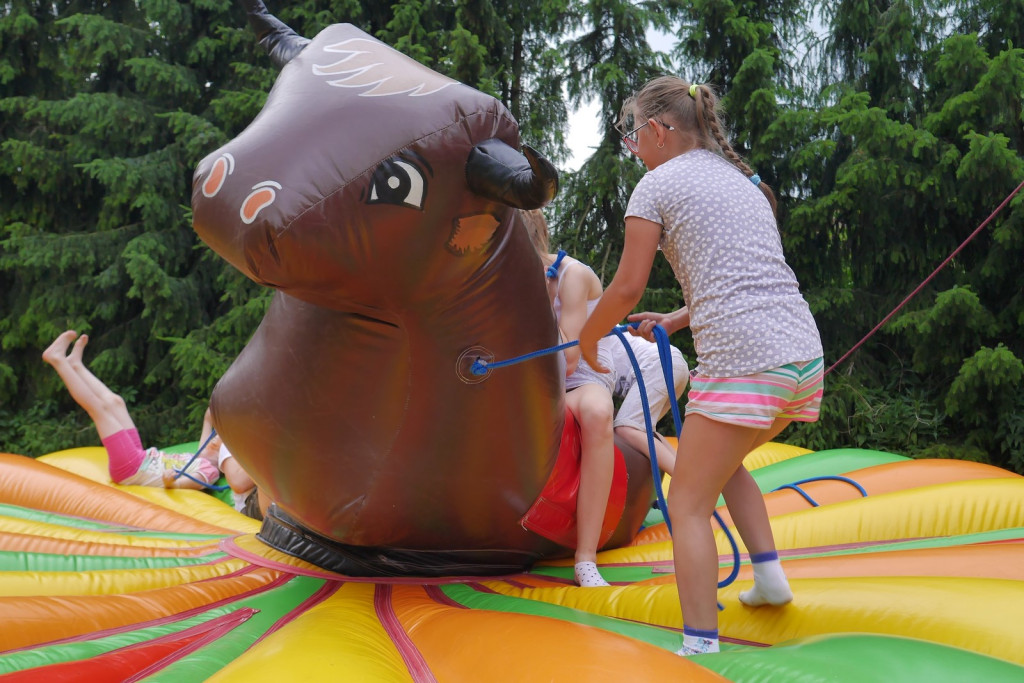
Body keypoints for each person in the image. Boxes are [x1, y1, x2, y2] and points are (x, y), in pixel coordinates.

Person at [577, 76, 824, 656]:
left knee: (687, 501)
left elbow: (625, 288)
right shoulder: (741, 181)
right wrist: (676, 322)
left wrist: (588, 337)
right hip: (801, 357)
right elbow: (744, 278)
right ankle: (769, 578)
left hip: (744, 362)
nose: (633, 146)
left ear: (659, 131)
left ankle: (699, 646)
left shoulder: (656, 185)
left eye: (634, 133)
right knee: (721, 462)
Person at [522, 209, 617, 588]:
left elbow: (570, 360)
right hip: (534, 378)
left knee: (597, 413)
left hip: (579, 380)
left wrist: (541, 301)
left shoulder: (570, 277)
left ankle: (586, 557)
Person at [43, 330, 220, 489]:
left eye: (220, 443)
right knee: (116, 402)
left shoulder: (209, 470)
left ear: (224, 458)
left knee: (100, 409)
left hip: (132, 468)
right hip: (141, 457)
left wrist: (169, 480)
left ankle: (57, 360)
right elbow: (207, 420)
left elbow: (180, 484)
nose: (214, 439)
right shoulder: (202, 454)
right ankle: (75, 365)